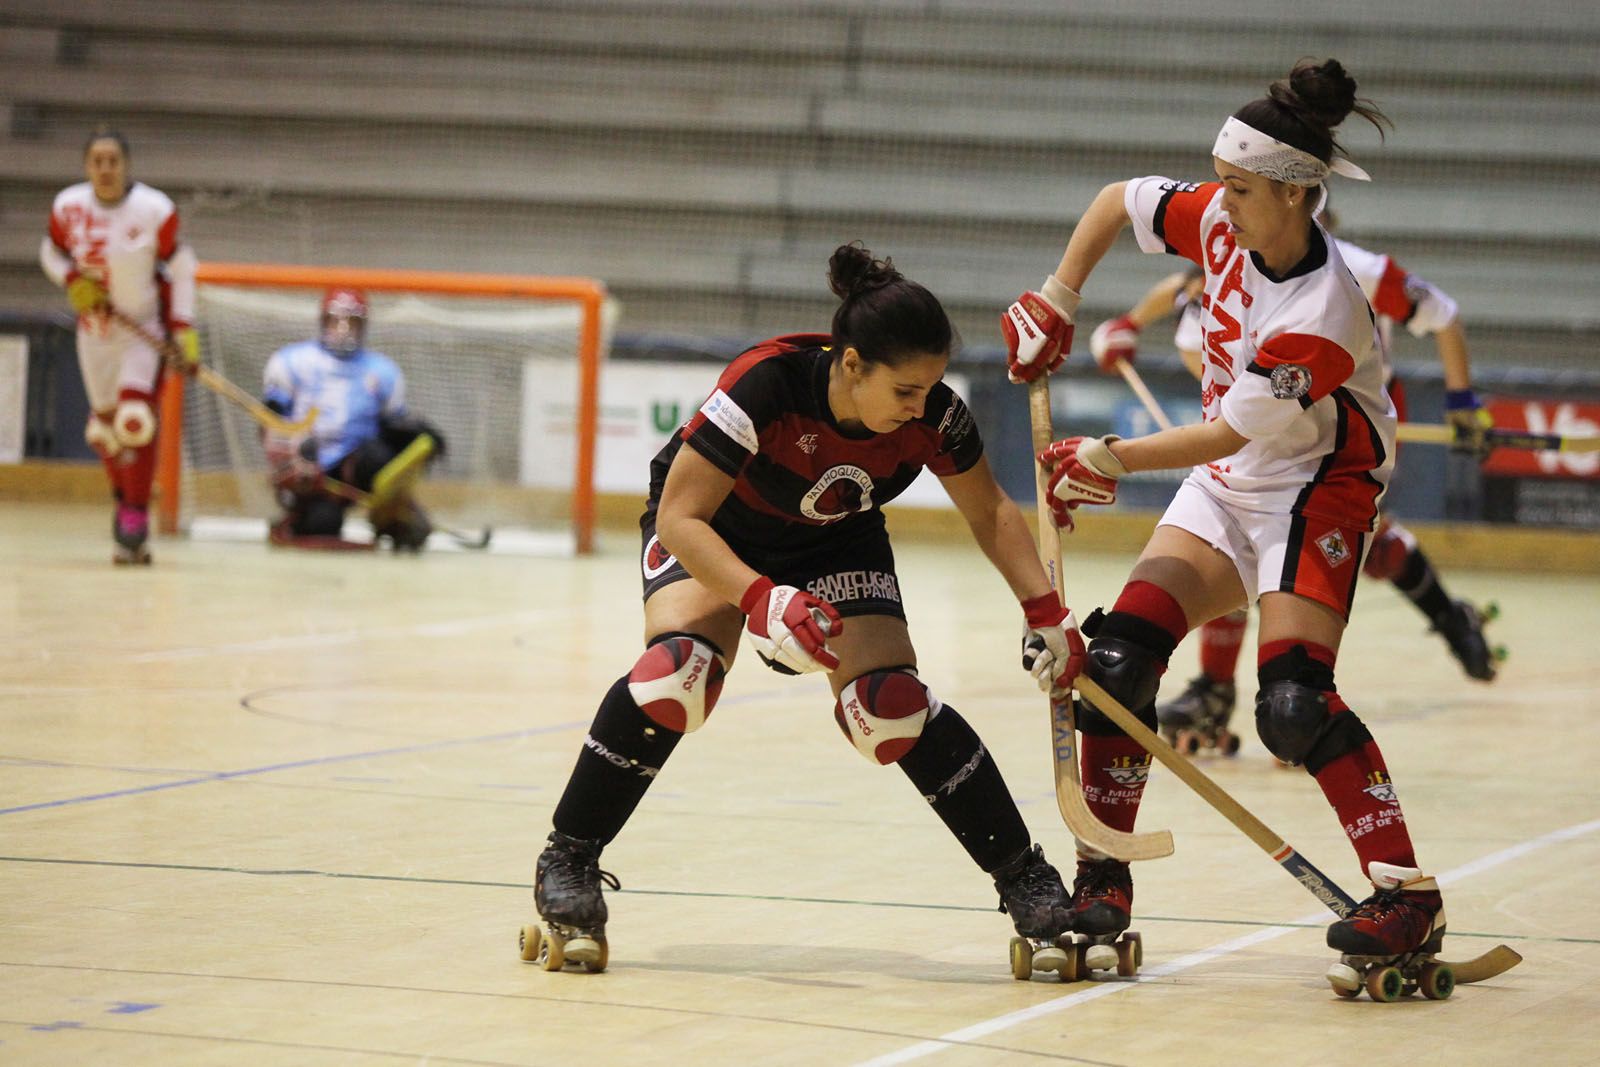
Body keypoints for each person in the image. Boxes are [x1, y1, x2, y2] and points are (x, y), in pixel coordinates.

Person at [1002, 60, 1449, 991]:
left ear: (1295, 195)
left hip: (1318, 488)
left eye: (1239, 187)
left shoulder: (1322, 310)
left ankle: (1407, 892)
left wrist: (1109, 458)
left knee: (1292, 704)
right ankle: (1104, 874)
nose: (1220, 201)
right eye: (1219, 179)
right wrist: (1060, 296)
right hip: (1226, 481)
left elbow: (1238, 424)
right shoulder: (1218, 216)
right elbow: (1116, 199)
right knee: (1118, 662)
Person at [526, 243, 1087, 973]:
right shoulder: (766, 385)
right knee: (677, 675)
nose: (923, 407)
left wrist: (1044, 610)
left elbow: (991, 513)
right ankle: (568, 856)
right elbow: (681, 519)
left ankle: (1026, 878)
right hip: (715, 526)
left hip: (835, 538)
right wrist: (761, 600)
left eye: (932, 388)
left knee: (889, 706)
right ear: (851, 364)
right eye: (906, 390)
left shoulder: (934, 417)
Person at [1087, 217, 1500, 755]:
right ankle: (1219, 688)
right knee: (1226, 547)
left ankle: (1444, 621)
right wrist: (1129, 324)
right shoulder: (1236, 256)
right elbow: (1182, 288)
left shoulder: (1359, 269)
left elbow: (1442, 315)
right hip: (1262, 429)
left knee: (1344, 555)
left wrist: (1463, 401)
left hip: (1343, 443)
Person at [39, 128, 198, 565]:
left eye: (113, 160)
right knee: (105, 431)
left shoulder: (154, 210)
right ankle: (123, 500)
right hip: (94, 333)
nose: (106, 169)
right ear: (87, 166)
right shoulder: (67, 207)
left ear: (126, 165)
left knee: (134, 421)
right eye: (97, 161)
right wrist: (70, 279)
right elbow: (50, 254)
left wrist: (184, 331)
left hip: (142, 329)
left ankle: (134, 513)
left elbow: (183, 268)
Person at [261, 287, 441, 552]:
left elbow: (393, 428)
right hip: (310, 470)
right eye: (336, 320)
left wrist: (420, 438)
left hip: (358, 464)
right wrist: (288, 459)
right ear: (323, 321)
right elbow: (270, 424)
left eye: (352, 322)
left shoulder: (383, 371)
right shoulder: (291, 361)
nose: (344, 329)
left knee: (380, 455)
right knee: (321, 525)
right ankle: (304, 515)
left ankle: (389, 514)